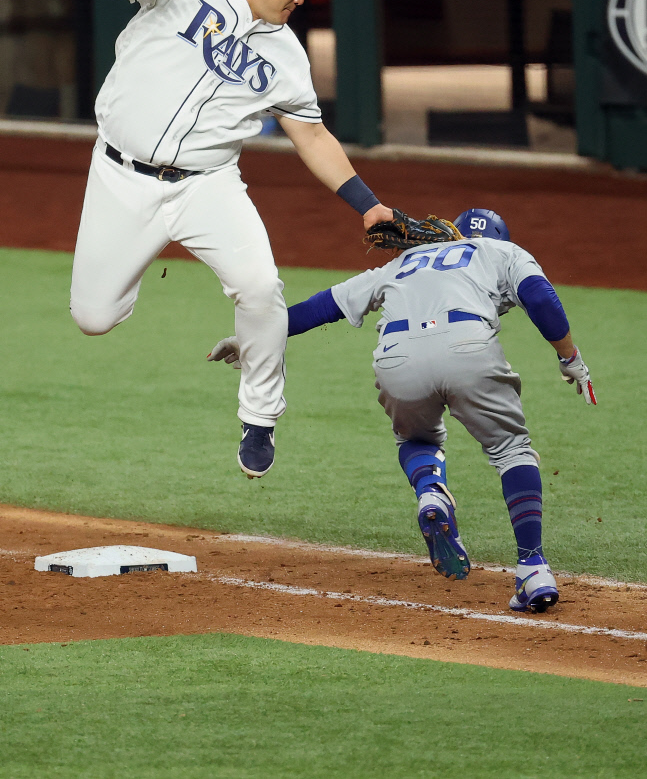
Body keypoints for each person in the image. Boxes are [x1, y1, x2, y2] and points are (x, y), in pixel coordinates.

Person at [73, 0, 392, 478]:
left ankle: (260, 417)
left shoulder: (287, 55)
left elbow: (311, 135)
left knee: (260, 286)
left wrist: (367, 203)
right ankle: (128, 266)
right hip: (120, 176)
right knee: (93, 318)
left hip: (208, 184)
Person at [209, 208, 596, 613]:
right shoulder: (502, 252)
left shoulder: (402, 263)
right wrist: (569, 357)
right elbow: (540, 296)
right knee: (511, 450)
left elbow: (323, 306)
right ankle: (533, 569)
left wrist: (251, 340)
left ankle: (431, 492)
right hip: (468, 348)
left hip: (397, 359)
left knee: (416, 438)